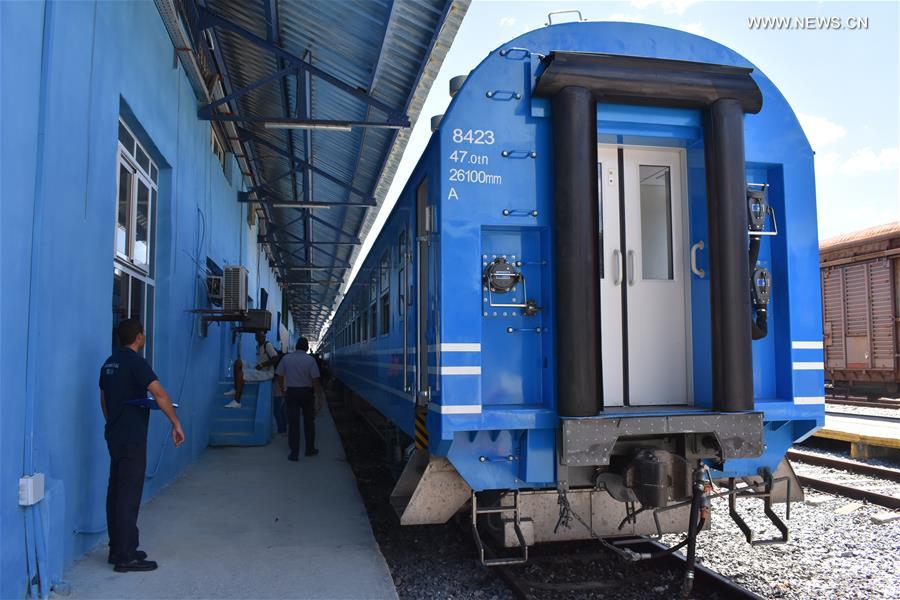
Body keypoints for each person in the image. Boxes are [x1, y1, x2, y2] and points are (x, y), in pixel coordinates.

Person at [99, 318, 185, 573]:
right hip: (132, 437)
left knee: (116, 491)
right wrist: (176, 423)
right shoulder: (135, 362)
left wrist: (113, 421)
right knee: (129, 494)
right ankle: (126, 557)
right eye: (143, 333)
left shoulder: (109, 363)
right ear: (138, 336)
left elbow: (104, 399)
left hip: (115, 434)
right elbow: (159, 394)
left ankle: (118, 548)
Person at [275, 338, 323, 461]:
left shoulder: (286, 358)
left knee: (293, 424)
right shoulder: (310, 360)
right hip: (307, 393)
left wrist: (283, 389)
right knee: (309, 422)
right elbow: (315, 380)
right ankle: (310, 449)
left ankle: (294, 453)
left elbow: (279, 374)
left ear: (296, 346)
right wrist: (319, 397)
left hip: (291, 392)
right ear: (306, 348)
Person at [224, 331, 279, 408]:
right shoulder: (258, 346)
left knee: (241, 373)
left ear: (264, 337)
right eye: (259, 336)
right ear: (256, 338)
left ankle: (237, 401)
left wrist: (262, 365)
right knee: (238, 362)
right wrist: (259, 365)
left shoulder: (268, 345)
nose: (261, 338)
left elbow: (276, 358)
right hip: (256, 366)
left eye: (262, 336)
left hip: (266, 372)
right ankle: (236, 389)